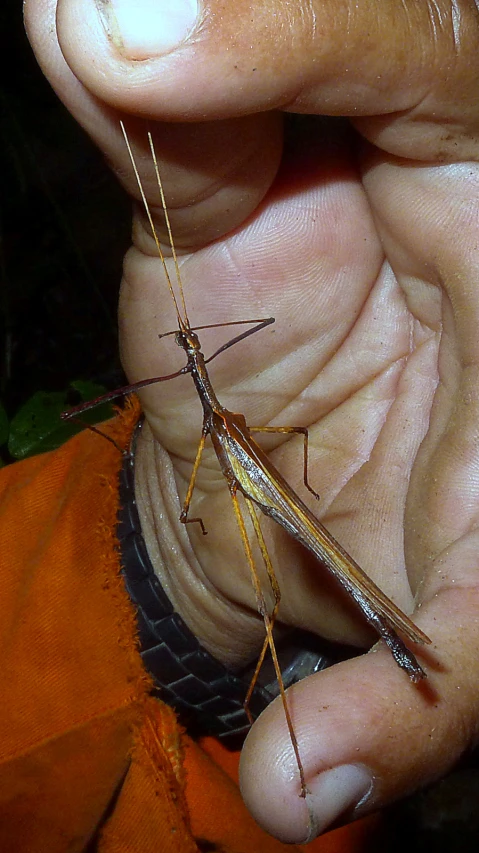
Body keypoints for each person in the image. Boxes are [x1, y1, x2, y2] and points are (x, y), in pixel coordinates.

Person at [3, 0, 478, 848]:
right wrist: (181, 552)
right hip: (240, 470)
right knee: (250, 533)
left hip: (246, 466)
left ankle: (318, 641)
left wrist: (178, 544)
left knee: (256, 522)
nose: (187, 346)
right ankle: (283, 649)